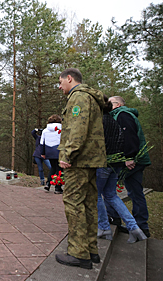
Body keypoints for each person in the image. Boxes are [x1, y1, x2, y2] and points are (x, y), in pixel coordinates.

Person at [54, 68, 107, 270]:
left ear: (70, 78)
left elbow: (78, 128)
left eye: (60, 82)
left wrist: (68, 153)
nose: (60, 86)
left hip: (79, 161)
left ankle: (78, 253)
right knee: (88, 204)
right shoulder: (92, 98)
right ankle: (91, 250)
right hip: (92, 159)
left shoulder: (78, 97)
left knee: (74, 203)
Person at [96, 96, 147, 243]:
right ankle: (134, 227)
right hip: (117, 163)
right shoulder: (114, 120)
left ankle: (104, 227)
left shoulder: (104, 120)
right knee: (111, 195)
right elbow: (121, 139)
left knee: (97, 194)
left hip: (105, 163)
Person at [108, 96, 151, 238]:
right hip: (135, 159)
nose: (108, 105)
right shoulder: (123, 115)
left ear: (118, 104)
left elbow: (129, 136)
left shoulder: (123, 115)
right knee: (135, 192)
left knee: (109, 190)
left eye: (111, 103)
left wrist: (129, 157)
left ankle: (115, 219)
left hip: (131, 160)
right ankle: (141, 226)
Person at [40, 114, 63, 194]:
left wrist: (43, 153)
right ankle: (58, 187)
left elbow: (42, 142)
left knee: (53, 168)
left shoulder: (45, 130)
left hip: (49, 150)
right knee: (60, 169)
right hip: (59, 150)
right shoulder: (61, 129)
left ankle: (48, 183)